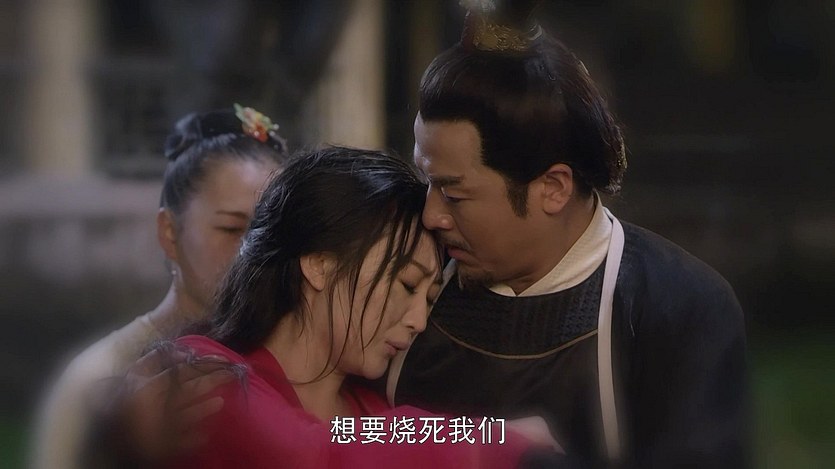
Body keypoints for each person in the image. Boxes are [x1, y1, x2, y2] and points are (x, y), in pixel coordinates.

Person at [387, 1, 748, 468]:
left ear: (553, 188)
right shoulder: (398, 278)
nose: (431, 215)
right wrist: (483, 441)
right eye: (426, 183)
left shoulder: (677, 308)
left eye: (454, 194)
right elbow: (331, 431)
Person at [156, 147, 549, 468]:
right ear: (319, 263)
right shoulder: (205, 376)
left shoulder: (372, 412)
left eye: (428, 300)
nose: (418, 321)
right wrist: (492, 438)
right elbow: (316, 454)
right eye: (407, 284)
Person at [33, 105, 290, 469]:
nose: (254, 251)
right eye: (232, 229)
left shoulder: (304, 363)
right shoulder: (100, 377)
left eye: (269, 231)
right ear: (169, 232)